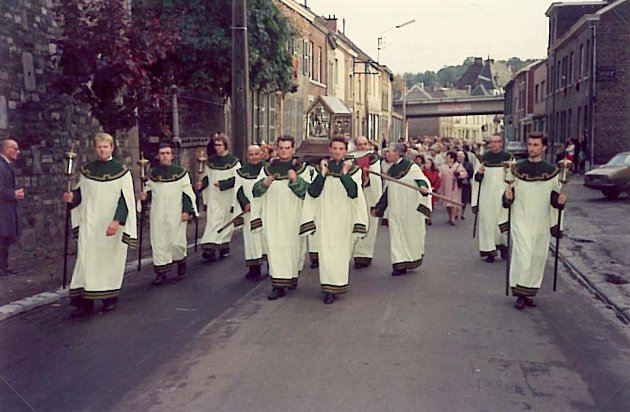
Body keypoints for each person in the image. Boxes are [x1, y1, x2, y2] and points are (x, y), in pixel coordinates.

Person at [62, 133, 137, 316]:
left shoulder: (122, 171)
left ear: (112, 148)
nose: (102, 150)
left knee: (108, 261)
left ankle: (109, 297)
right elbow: (81, 194)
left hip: (110, 225)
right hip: (90, 223)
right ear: (95, 149)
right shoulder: (87, 171)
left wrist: (117, 221)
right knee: (86, 259)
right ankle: (84, 302)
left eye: (106, 146)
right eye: (99, 147)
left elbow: (125, 200)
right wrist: (73, 198)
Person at [502, 133, 567, 310]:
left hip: (541, 221)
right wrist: (508, 197)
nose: (532, 148)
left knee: (537, 256)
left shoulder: (552, 171)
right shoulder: (516, 169)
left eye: (536, 145)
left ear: (543, 147)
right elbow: (508, 196)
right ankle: (520, 294)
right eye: (530, 144)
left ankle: (529, 292)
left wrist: (560, 201)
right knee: (524, 255)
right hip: (521, 219)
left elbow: (554, 198)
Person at [301, 137, 368, 304]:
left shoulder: (354, 170)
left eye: (341, 149)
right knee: (326, 253)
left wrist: (344, 173)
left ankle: (338, 283)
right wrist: (323, 174)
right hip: (325, 216)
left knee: (341, 252)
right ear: (330, 149)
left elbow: (353, 193)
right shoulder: (320, 169)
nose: (337, 151)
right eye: (335, 148)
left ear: (345, 151)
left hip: (344, 218)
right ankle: (327, 289)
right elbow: (313, 192)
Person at [252, 135, 309, 300]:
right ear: (277, 149)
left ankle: (291, 276)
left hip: (293, 215)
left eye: (287, 148)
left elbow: (308, 192)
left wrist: (295, 180)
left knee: (293, 248)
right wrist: (263, 184)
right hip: (273, 215)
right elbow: (255, 191)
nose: (284, 151)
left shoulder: (301, 169)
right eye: (281, 148)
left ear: (293, 149)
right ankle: (278, 285)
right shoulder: (267, 169)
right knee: (275, 248)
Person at [140, 143, 197, 286]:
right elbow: (148, 190)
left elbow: (187, 193)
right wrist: (144, 197)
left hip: (175, 212)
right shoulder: (153, 174)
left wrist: (186, 210)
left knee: (177, 242)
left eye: (167, 153)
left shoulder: (181, 173)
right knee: (159, 242)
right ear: (158, 156)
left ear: (172, 156)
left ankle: (180, 260)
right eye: (162, 153)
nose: (165, 156)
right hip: (158, 213)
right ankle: (160, 272)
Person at [371, 143, 432, 276]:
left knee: (410, 235)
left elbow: (421, 180)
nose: (387, 154)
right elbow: (388, 190)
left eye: (390, 151)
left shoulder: (411, 167)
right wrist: (380, 207)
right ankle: (398, 264)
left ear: (397, 153)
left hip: (408, 209)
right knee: (396, 236)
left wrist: (423, 188)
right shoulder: (392, 169)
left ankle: (409, 259)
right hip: (395, 209)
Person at [197, 134, 241, 261]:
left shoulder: (234, 162)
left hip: (226, 196)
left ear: (225, 146)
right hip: (214, 196)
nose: (217, 147)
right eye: (215, 145)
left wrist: (223, 184)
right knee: (213, 221)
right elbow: (207, 177)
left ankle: (223, 246)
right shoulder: (210, 161)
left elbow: (238, 179)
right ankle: (209, 248)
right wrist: (202, 184)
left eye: (219, 145)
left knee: (225, 221)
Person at [472, 133, 512, 263]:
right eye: (492, 142)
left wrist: (509, 191)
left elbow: (513, 177)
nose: (494, 144)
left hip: (501, 195)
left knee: (500, 222)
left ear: (501, 143)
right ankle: (489, 251)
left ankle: (503, 247)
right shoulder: (483, 159)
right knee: (487, 223)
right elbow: (476, 179)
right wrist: (480, 174)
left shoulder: (508, 158)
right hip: (486, 195)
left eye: (497, 142)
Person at [234, 145, 265, 280]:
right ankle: (254, 268)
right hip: (249, 211)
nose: (254, 157)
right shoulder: (241, 172)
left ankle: (272, 266)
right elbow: (238, 189)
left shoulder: (268, 169)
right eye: (251, 154)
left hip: (264, 209)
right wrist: (245, 203)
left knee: (266, 238)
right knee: (251, 238)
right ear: (247, 156)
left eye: (256, 154)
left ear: (261, 155)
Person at [352, 136, 382, 269]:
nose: (362, 147)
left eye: (365, 144)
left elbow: (376, 179)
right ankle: (357, 254)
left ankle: (366, 254)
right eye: (359, 144)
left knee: (370, 222)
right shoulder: (350, 158)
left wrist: (367, 177)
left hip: (370, 195)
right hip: (356, 196)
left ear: (369, 145)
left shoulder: (374, 159)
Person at [0, 139, 24, 276]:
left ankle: (4, 266)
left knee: (5, 238)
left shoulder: (6, 165)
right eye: (15, 149)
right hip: (2, 208)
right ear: (6, 149)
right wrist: (13, 194)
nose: (18, 152)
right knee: (2, 238)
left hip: (7, 208)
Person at [439, 151, 467, 226]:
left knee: (454, 202)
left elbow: (465, 174)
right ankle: (450, 216)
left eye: (448, 157)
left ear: (452, 158)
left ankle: (452, 218)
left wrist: (459, 174)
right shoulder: (443, 167)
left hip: (455, 187)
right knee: (447, 203)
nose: (446, 159)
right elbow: (439, 176)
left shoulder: (458, 166)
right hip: (446, 187)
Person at [422, 157, 441, 226]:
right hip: (423, 190)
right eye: (426, 163)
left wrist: (434, 188)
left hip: (432, 190)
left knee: (430, 205)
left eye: (428, 163)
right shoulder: (421, 172)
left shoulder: (435, 173)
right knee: (423, 204)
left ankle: (429, 217)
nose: (427, 165)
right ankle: (424, 217)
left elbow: (438, 181)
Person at [457, 151, 474, 220]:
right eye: (458, 156)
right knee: (457, 198)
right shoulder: (456, 164)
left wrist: (466, 176)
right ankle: (456, 212)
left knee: (464, 199)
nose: (459, 158)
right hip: (457, 183)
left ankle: (462, 213)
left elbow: (471, 173)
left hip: (465, 183)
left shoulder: (468, 164)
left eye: (460, 156)